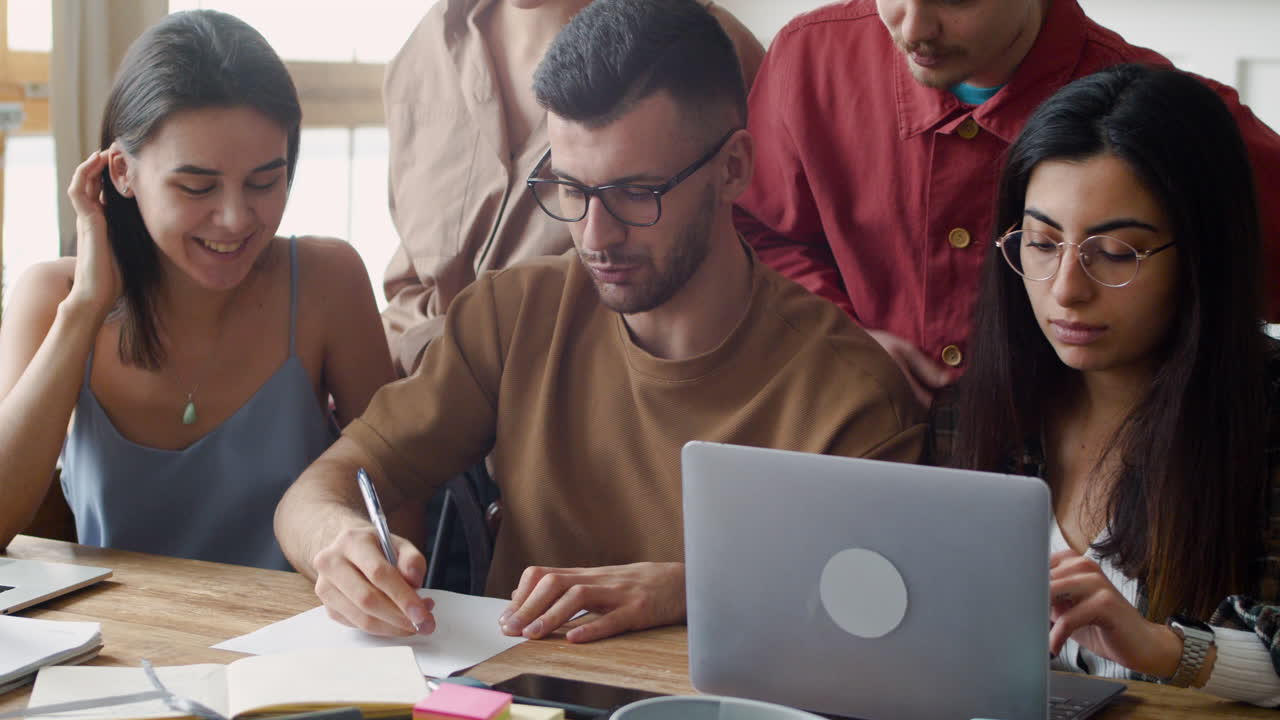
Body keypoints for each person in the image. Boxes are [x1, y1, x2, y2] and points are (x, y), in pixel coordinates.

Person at [275, 0, 923, 645]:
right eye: (571, 188)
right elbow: (319, 489)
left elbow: (881, 616)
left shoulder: (849, 393)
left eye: (636, 193)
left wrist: (689, 587)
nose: (594, 235)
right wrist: (339, 543)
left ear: (733, 170)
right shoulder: (512, 315)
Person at [735, 0, 1280, 406]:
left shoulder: (1171, 119)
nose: (913, 27)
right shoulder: (811, 58)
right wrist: (842, 337)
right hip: (863, 436)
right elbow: (760, 228)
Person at [0, 10, 395, 570]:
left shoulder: (329, 281)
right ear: (121, 173)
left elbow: (395, 493)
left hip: (301, 645)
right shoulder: (53, 297)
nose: (235, 219)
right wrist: (86, 305)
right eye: (196, 186)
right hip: (110, 649)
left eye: (265, 181)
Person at [938, 64, 1280, 704]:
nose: (1066, 288)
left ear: (1203, 254)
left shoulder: (1266, 419)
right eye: (1041, 243)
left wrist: (1166, 648)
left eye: (1116, 252)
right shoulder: (973, 413)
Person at [380, 0, 764, 377]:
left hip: (584, 411)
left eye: (633, 191)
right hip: (407, 391)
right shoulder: (426, 46)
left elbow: (755, 290)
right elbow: (408, 283)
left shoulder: (706, 52)